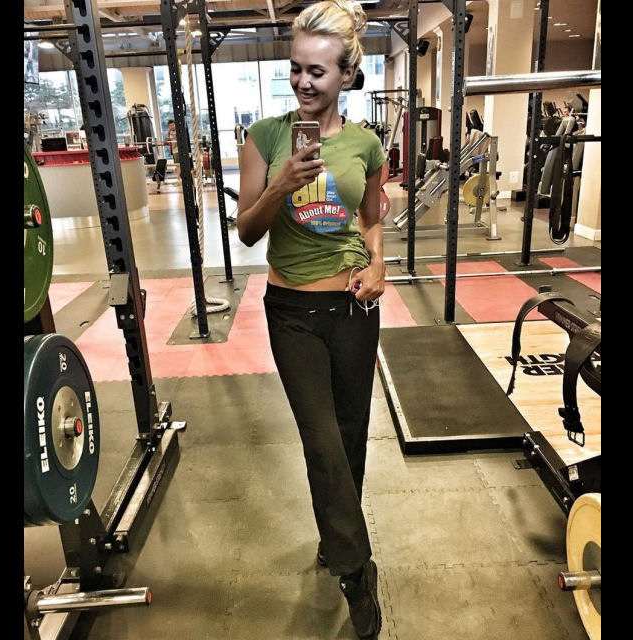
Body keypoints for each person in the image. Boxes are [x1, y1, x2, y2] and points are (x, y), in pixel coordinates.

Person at [237, 2, 385, 638]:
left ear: (346, 75)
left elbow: (372, 217)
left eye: (317, 71)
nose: (301, 81)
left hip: (353, 307)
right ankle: (356, 570)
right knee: (322, 441)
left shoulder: (366, 143)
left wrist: (379, 264)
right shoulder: (267, 137)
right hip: (292, 311)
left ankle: (335, 539)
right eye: (295, 68)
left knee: (350, 438)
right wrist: (281, 184)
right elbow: (247, 231)